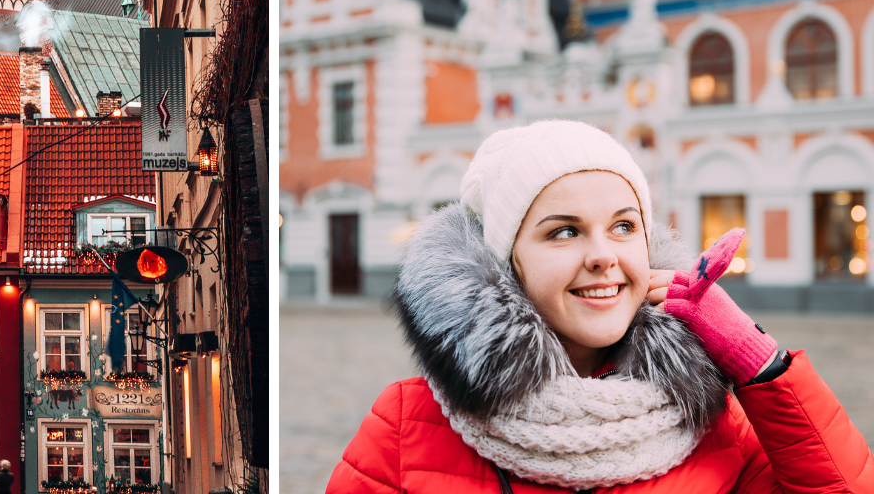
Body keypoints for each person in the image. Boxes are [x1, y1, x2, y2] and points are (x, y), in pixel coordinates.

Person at [327, 120, 874, 493]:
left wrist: (761, 364)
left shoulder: (711, 421)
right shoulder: (406, 423)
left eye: (623, 226)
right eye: (564, 232)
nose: (603, 256)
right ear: (506, 262)